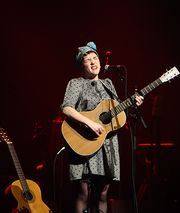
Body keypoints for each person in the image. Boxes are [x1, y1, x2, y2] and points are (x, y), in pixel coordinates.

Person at [60, 41, 144, 213]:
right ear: (81, 65)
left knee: (104, 194)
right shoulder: (76, 83)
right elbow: (66, 108)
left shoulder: (108, 83)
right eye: (88, 59)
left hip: (106, 144)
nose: (93, 62)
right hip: (83, 140)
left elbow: (117, 112)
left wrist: (133, 103)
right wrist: (89, 122)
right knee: (83, 193)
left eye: (95, 58)